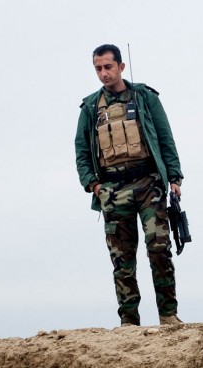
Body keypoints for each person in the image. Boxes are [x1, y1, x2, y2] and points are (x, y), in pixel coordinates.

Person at [75, 44, 185, 327]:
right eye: (98, 68)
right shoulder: (90, 108)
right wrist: (93, 186)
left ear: (121, 67)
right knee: (122, 260)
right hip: (112, 189)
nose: (103, 73)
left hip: (148, 183)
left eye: (108, 67)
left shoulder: (145, 97)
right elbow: (82, 152)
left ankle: (168, 315)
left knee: (159, 248)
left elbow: (165, 137)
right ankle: (129, 322)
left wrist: (174, 177)